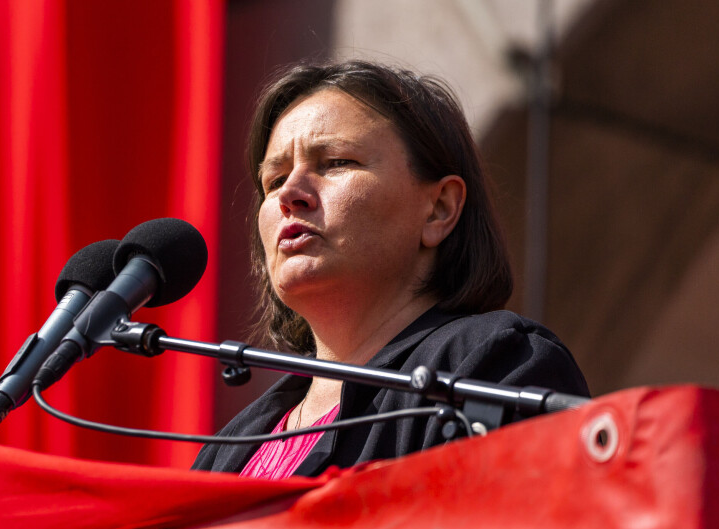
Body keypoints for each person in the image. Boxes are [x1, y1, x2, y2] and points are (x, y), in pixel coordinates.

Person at [192, 60, 589, 479]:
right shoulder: (228, 450)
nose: (290, 194)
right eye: (273, 181)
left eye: (336, 162)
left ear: (439, 209)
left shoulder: (498, 364)